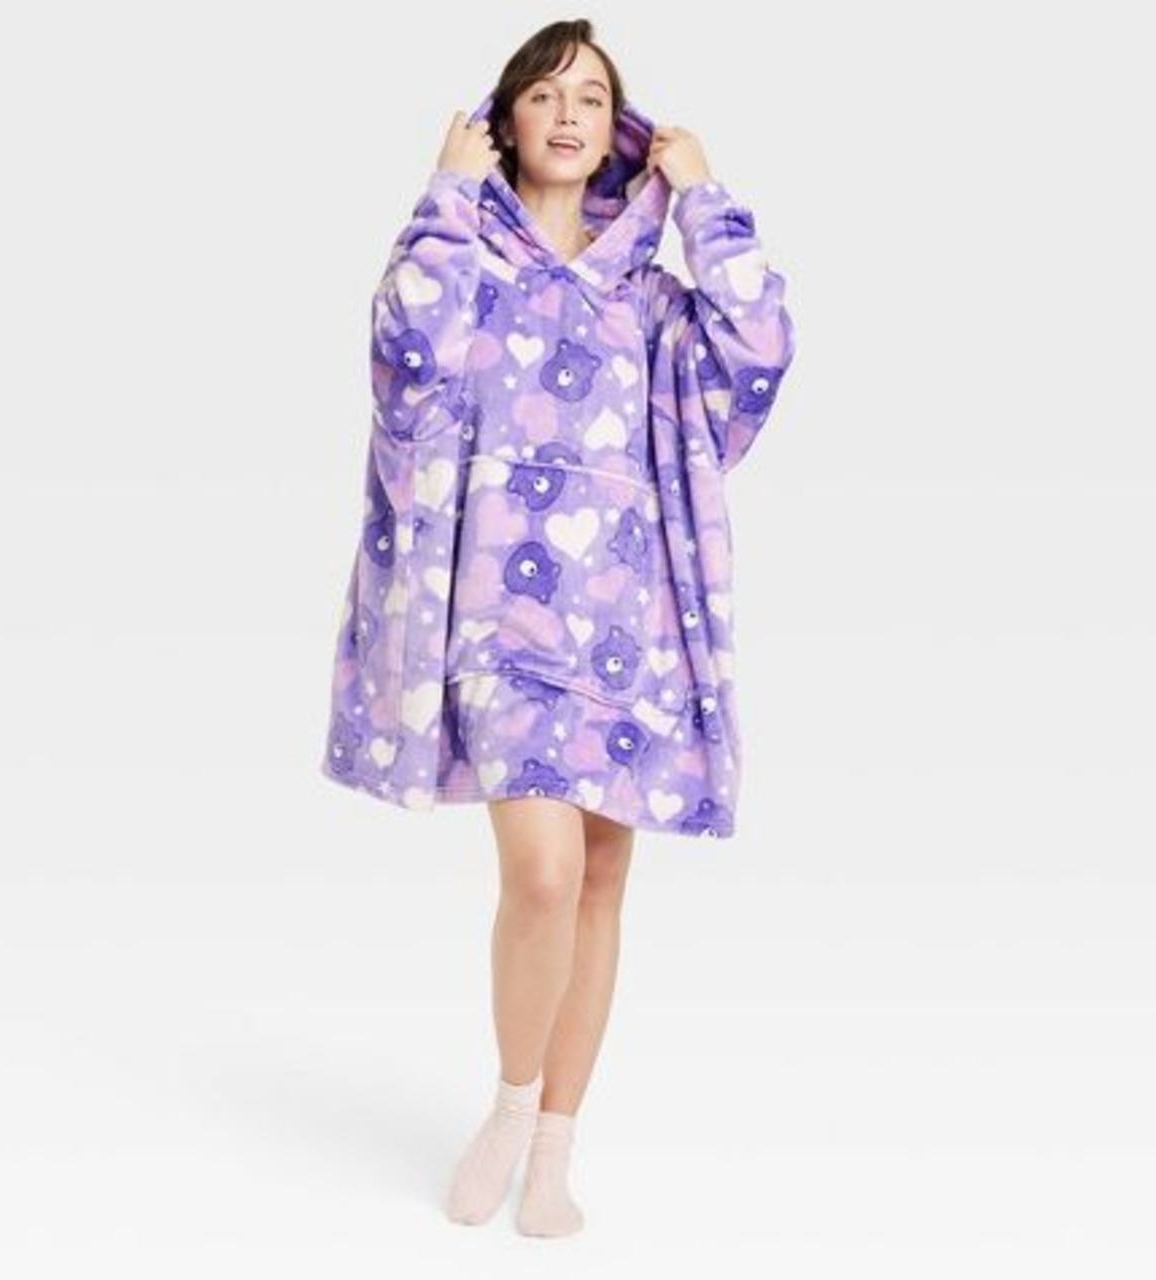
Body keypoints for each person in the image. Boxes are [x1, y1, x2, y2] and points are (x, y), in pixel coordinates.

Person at [320, 19, 795, 1235]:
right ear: (506, 121)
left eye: (590, 95)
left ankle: (554, 1146)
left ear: (618, 129)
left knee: (597, 878)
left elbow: (758, 352)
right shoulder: (464, 267)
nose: (569, 113)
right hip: (497, 621)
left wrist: (705, 199)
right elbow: (402, 357)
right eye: (543, 94)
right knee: (539, 872)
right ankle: (509, 1101)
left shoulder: (651, 298)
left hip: (630, 626)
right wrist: (443, 194)